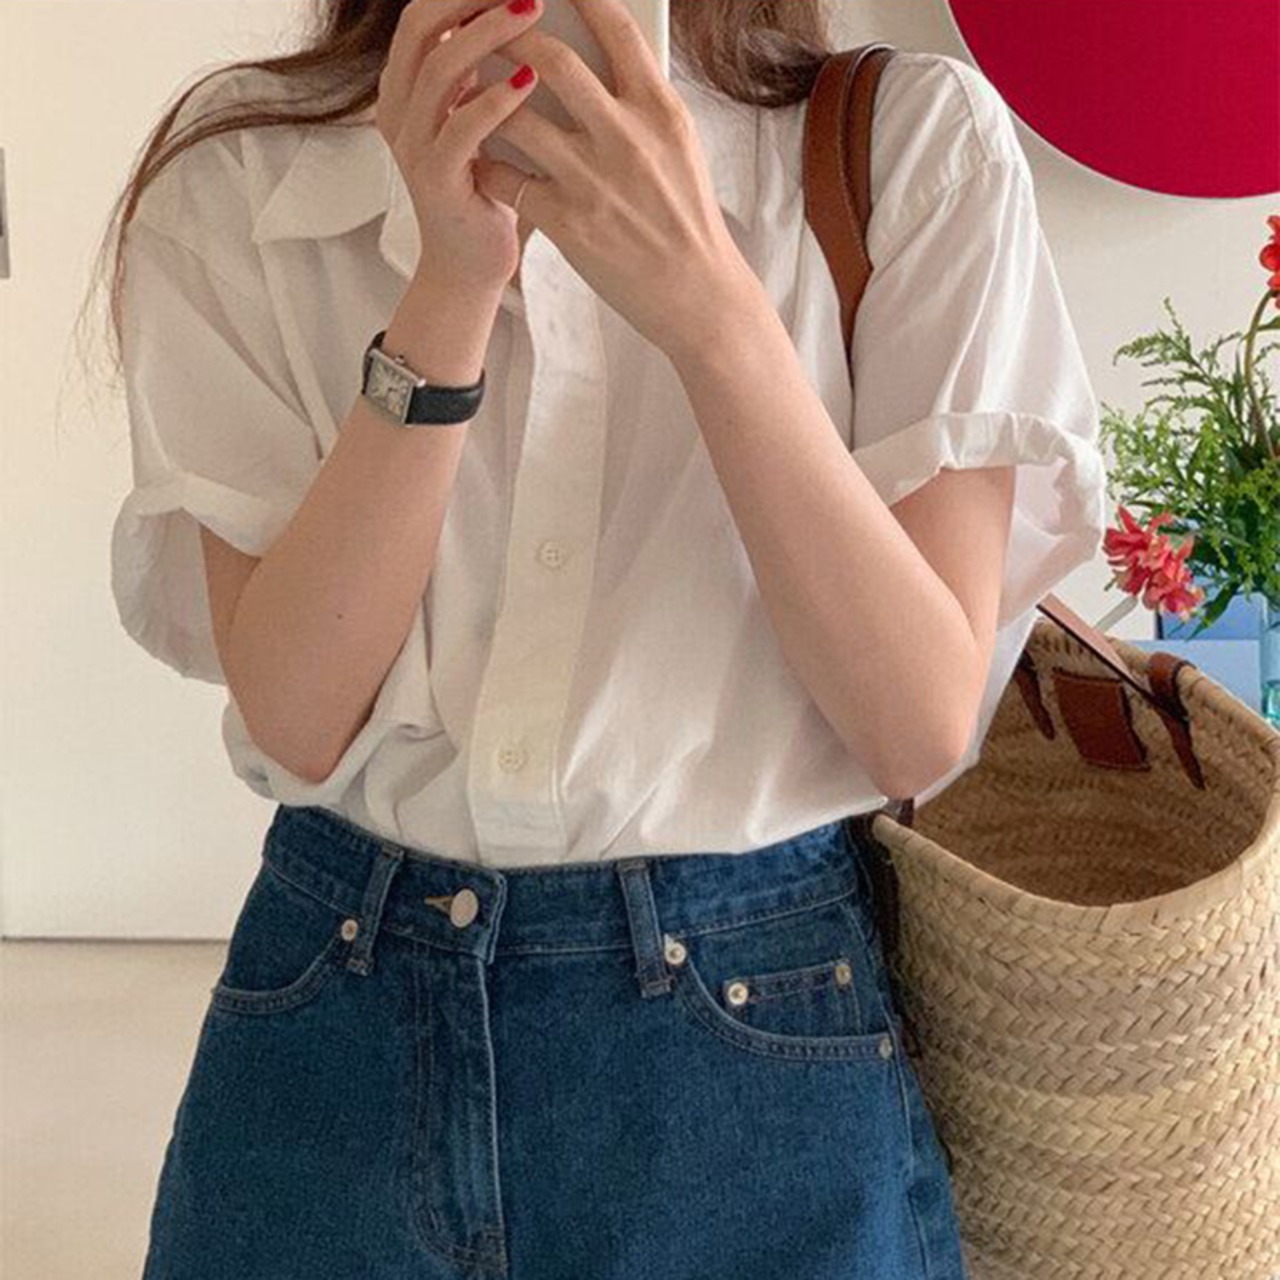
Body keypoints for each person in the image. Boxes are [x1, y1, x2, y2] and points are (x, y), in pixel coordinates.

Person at [97, 0, 1107, 1275]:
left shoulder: (903, 145)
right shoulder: (240, 170)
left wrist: (706, 307)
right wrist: (450, 286)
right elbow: (298, 715)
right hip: (338, 1021)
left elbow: (914, 723)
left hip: (754, 1037)